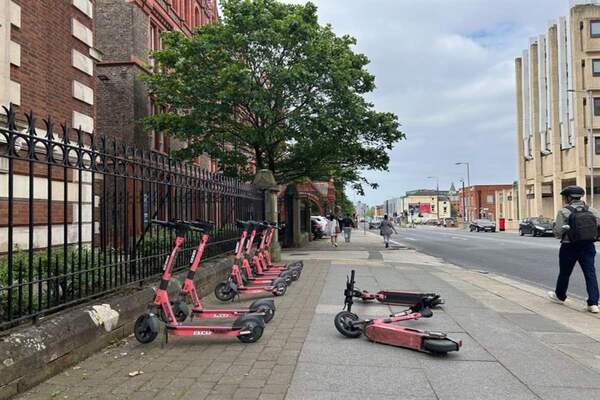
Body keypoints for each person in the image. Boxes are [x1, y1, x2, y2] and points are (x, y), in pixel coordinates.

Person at [549, 185, 600, 313]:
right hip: (588, 246)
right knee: (590, 273)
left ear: (568, 197)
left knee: (565, 273)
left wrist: (556, 227)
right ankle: (593, 303)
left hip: (569, 246)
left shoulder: (564, 211)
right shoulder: (592, 211)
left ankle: (560, 296)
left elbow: (558, 233)